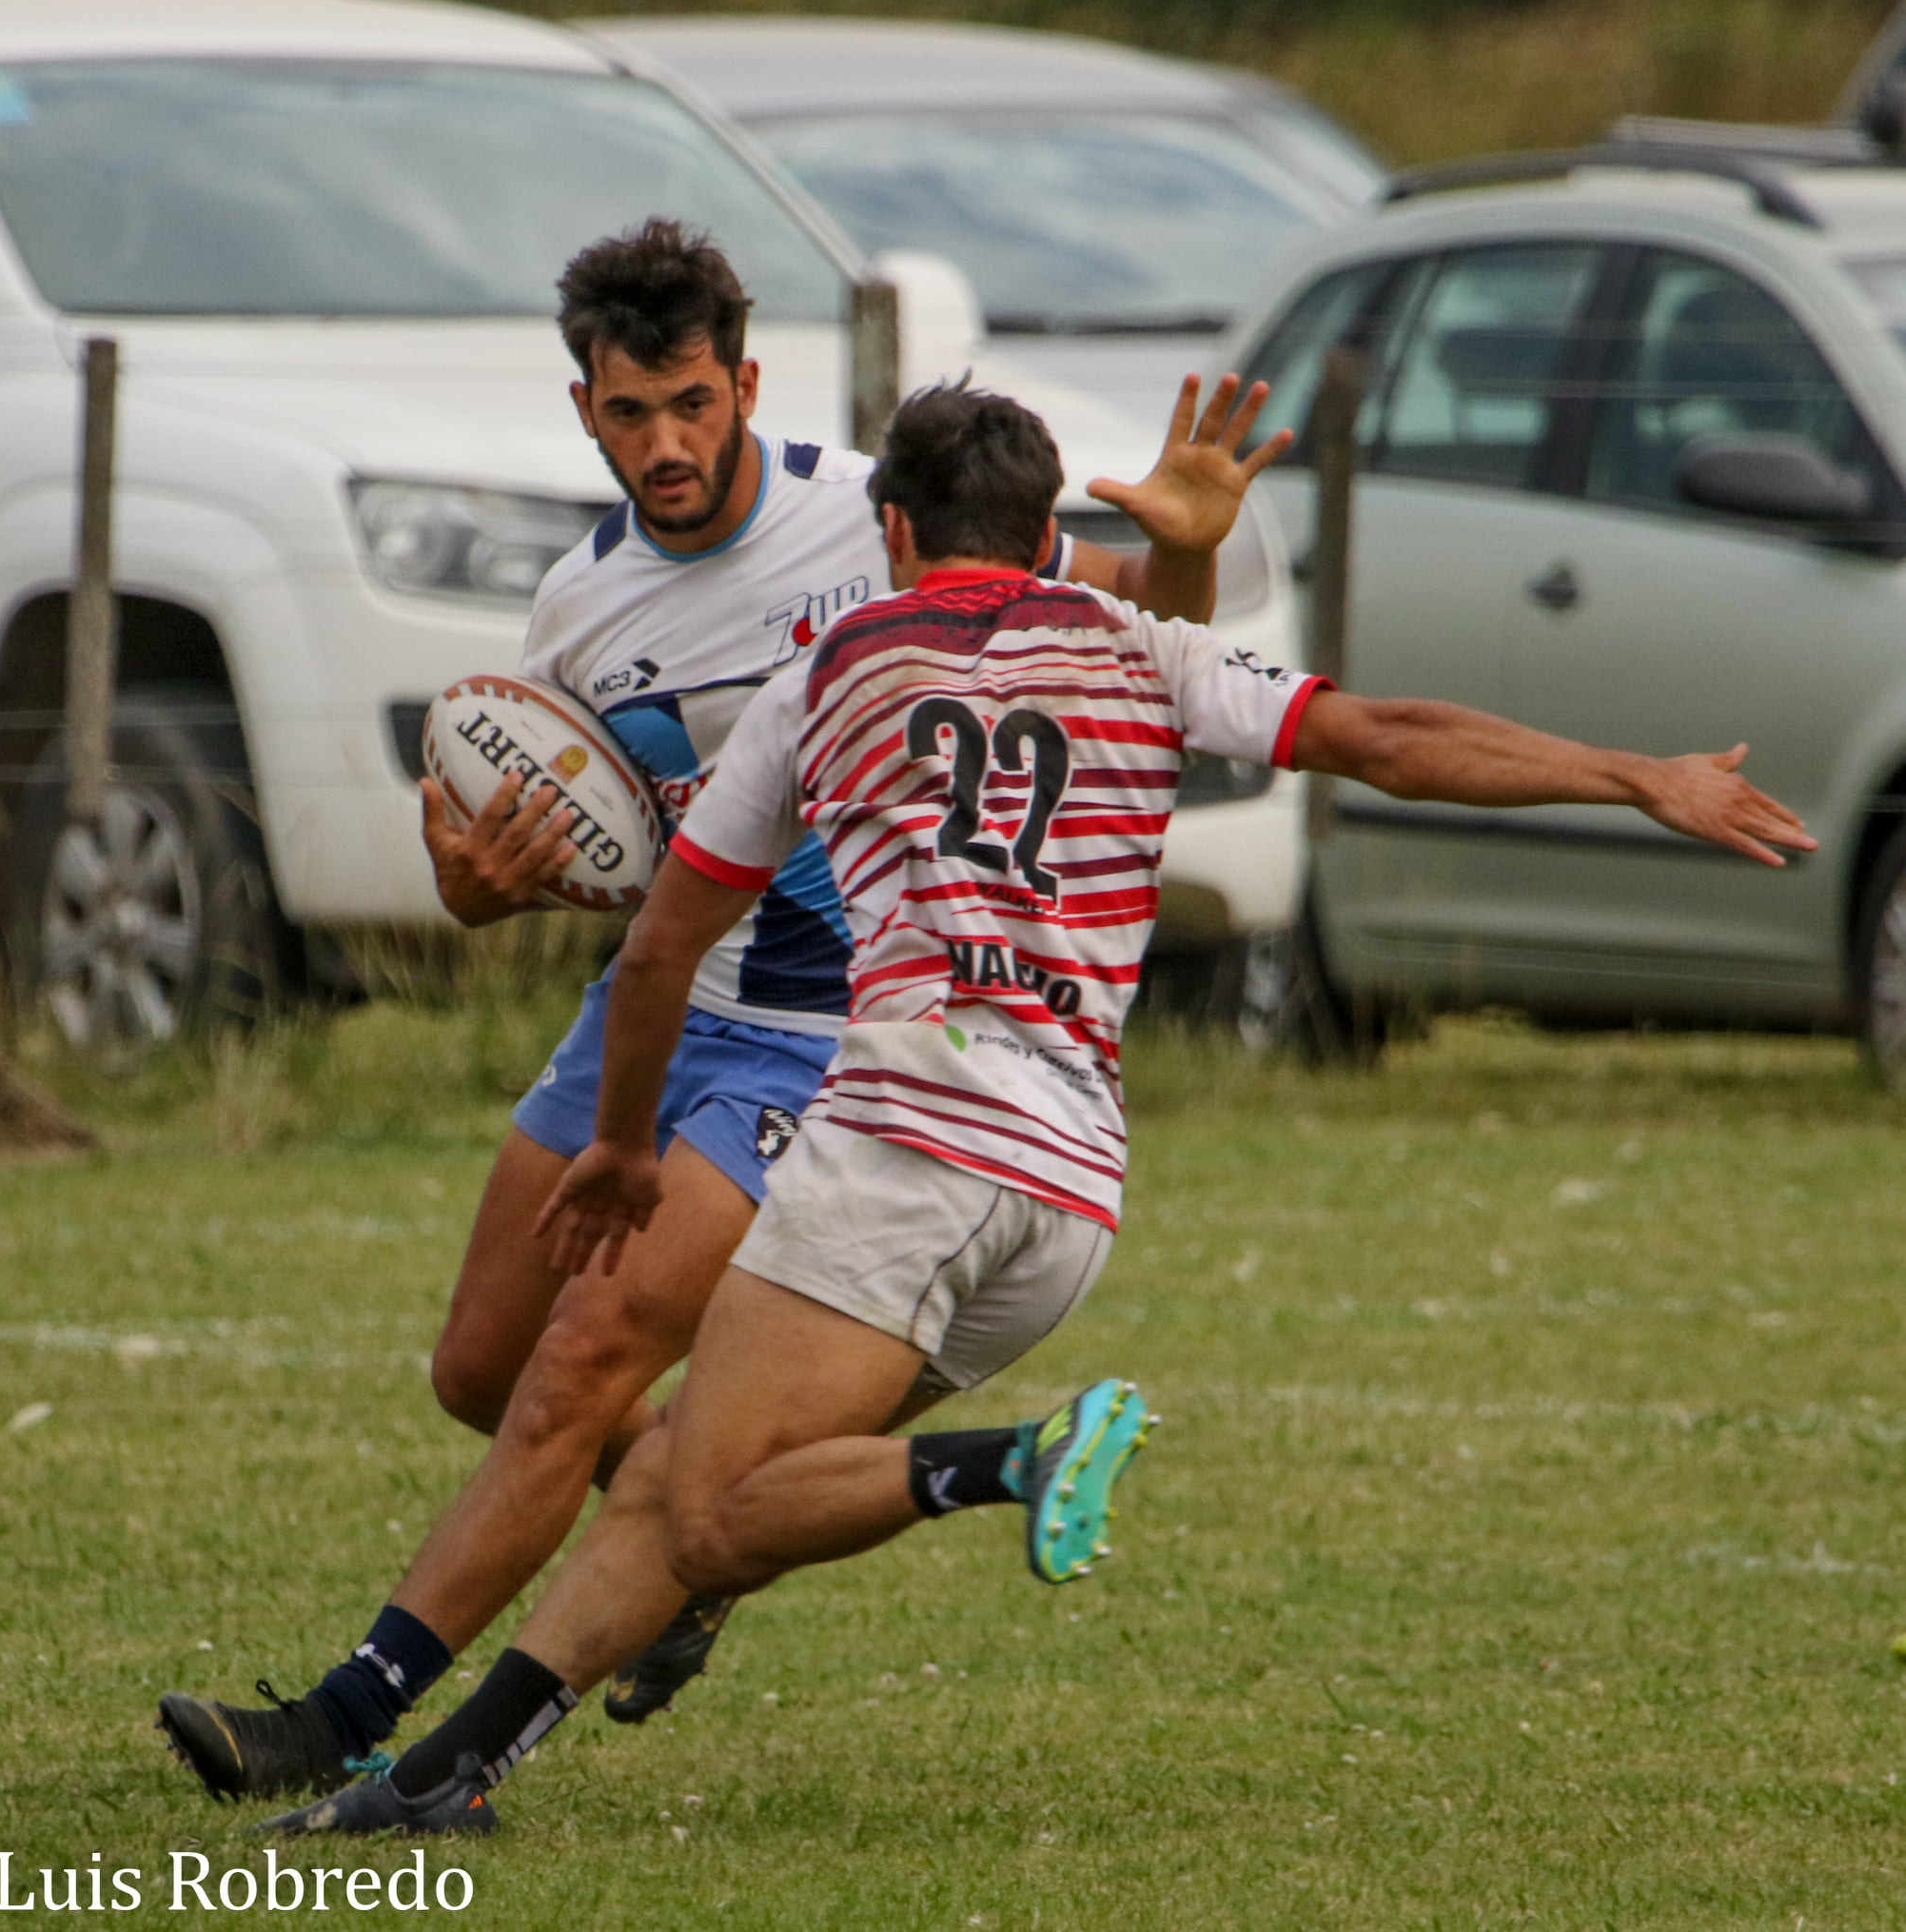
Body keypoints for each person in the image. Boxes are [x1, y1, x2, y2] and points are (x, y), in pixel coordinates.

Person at [262, 381, 1814, 1835]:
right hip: (1066, 1193)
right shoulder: (1143, 647)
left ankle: (1013, 1462)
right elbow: (1391, 739)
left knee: (720, 1509)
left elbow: (667, 938)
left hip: (904, 1140)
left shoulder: (832, 667)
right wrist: (1632, 775)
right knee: (674, 1485)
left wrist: (614, 1146)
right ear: (1046, 529)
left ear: (891, 531)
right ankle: (446, 1777)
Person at [155, 219, 1293, 1802]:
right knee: (481, 1370)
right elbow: (572, 869)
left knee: (581, 1362)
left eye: (693, 403)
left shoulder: (867, 521)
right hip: (653, 1003)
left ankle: (346, 1719)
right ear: (585, 411)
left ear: (744, 380)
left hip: (829, 1040)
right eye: (630, 414)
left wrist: (1180, 539)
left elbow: (1129, 639)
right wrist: (486, 883)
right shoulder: (578, 611)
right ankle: (686, 1550)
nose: (667, 443)